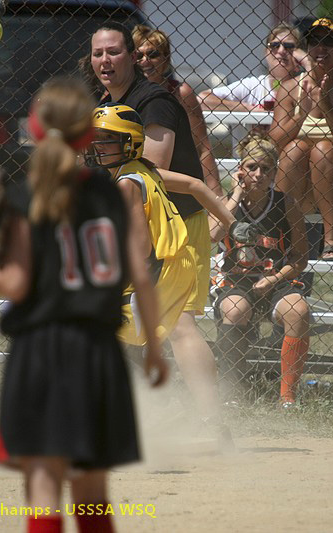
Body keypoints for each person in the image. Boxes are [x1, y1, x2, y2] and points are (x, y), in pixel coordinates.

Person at [0, 77, 168, 533]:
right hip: (99, 353)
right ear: (87, 135)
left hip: (40, 354)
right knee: (91, 494)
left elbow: (14, 282)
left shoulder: (24, 194)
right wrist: (152, 350)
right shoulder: (109, 191)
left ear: (33, 128)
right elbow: (140, 272)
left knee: (44, 485)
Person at [89, 22, 226, 436]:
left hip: (174, 225)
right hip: (138, 228)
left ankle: (213, 424)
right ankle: (159, 416)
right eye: (98, 54)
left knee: (178, 322)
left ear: (132, 56)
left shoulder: (154, 101)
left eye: (114, 52)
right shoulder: (111, 102)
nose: (105, 61)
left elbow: (151, 169)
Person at [211, 132, 310, 407]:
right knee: (235, 309)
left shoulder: (285, 203)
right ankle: (232, 393)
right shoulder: (225, 201)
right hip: (235, 278)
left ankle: (287, 397)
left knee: (298, 310)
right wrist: (236, 195)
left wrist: (275, 278)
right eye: (252, 167)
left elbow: (301, 257)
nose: (258, 174)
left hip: (275, 279)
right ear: (240, 170)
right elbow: (212, 235)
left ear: (274, 172)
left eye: (266, 169)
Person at [269, 17, 333, 260]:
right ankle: (279, 238)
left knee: (324, 150)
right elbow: (273, 144)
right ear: (306, 49)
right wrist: (302, 114)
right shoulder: (289, 88)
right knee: (295, 148)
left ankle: (332, 241)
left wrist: (326, 105)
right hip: (302, 189)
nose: (321, 49)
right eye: (314, 42)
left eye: (329, 42)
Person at [131, 25, 221, 197]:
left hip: (177, 183)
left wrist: (217, 196)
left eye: (153, 54)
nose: (145, 60)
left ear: (165, 59)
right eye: (139, 55)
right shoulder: (122, 92)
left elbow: (202, 147)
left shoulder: (180, 93)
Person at [199, 22, 302, 113]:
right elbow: (201, 99)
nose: (281, 51)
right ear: (266, 52)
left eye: (289, 46)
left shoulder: (304, 88)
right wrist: (247, 108)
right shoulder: (252, 86)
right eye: (275, 45)